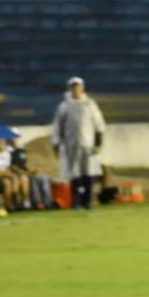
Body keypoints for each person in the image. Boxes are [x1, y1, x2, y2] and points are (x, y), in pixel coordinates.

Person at [50, 76, 106, 210]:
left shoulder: (90, 104)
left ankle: (87, 201)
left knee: (88, 173)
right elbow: (57, 126)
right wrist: (56, 144)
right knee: (74, 174)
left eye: (78, 86)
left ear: (82, 88)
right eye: (74, 87)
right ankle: (76, 202)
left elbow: (98, 123)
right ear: (70, 89)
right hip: (71, 146)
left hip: (88, 144)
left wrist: (99, 142)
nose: (76, 89)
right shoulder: (64, 106)